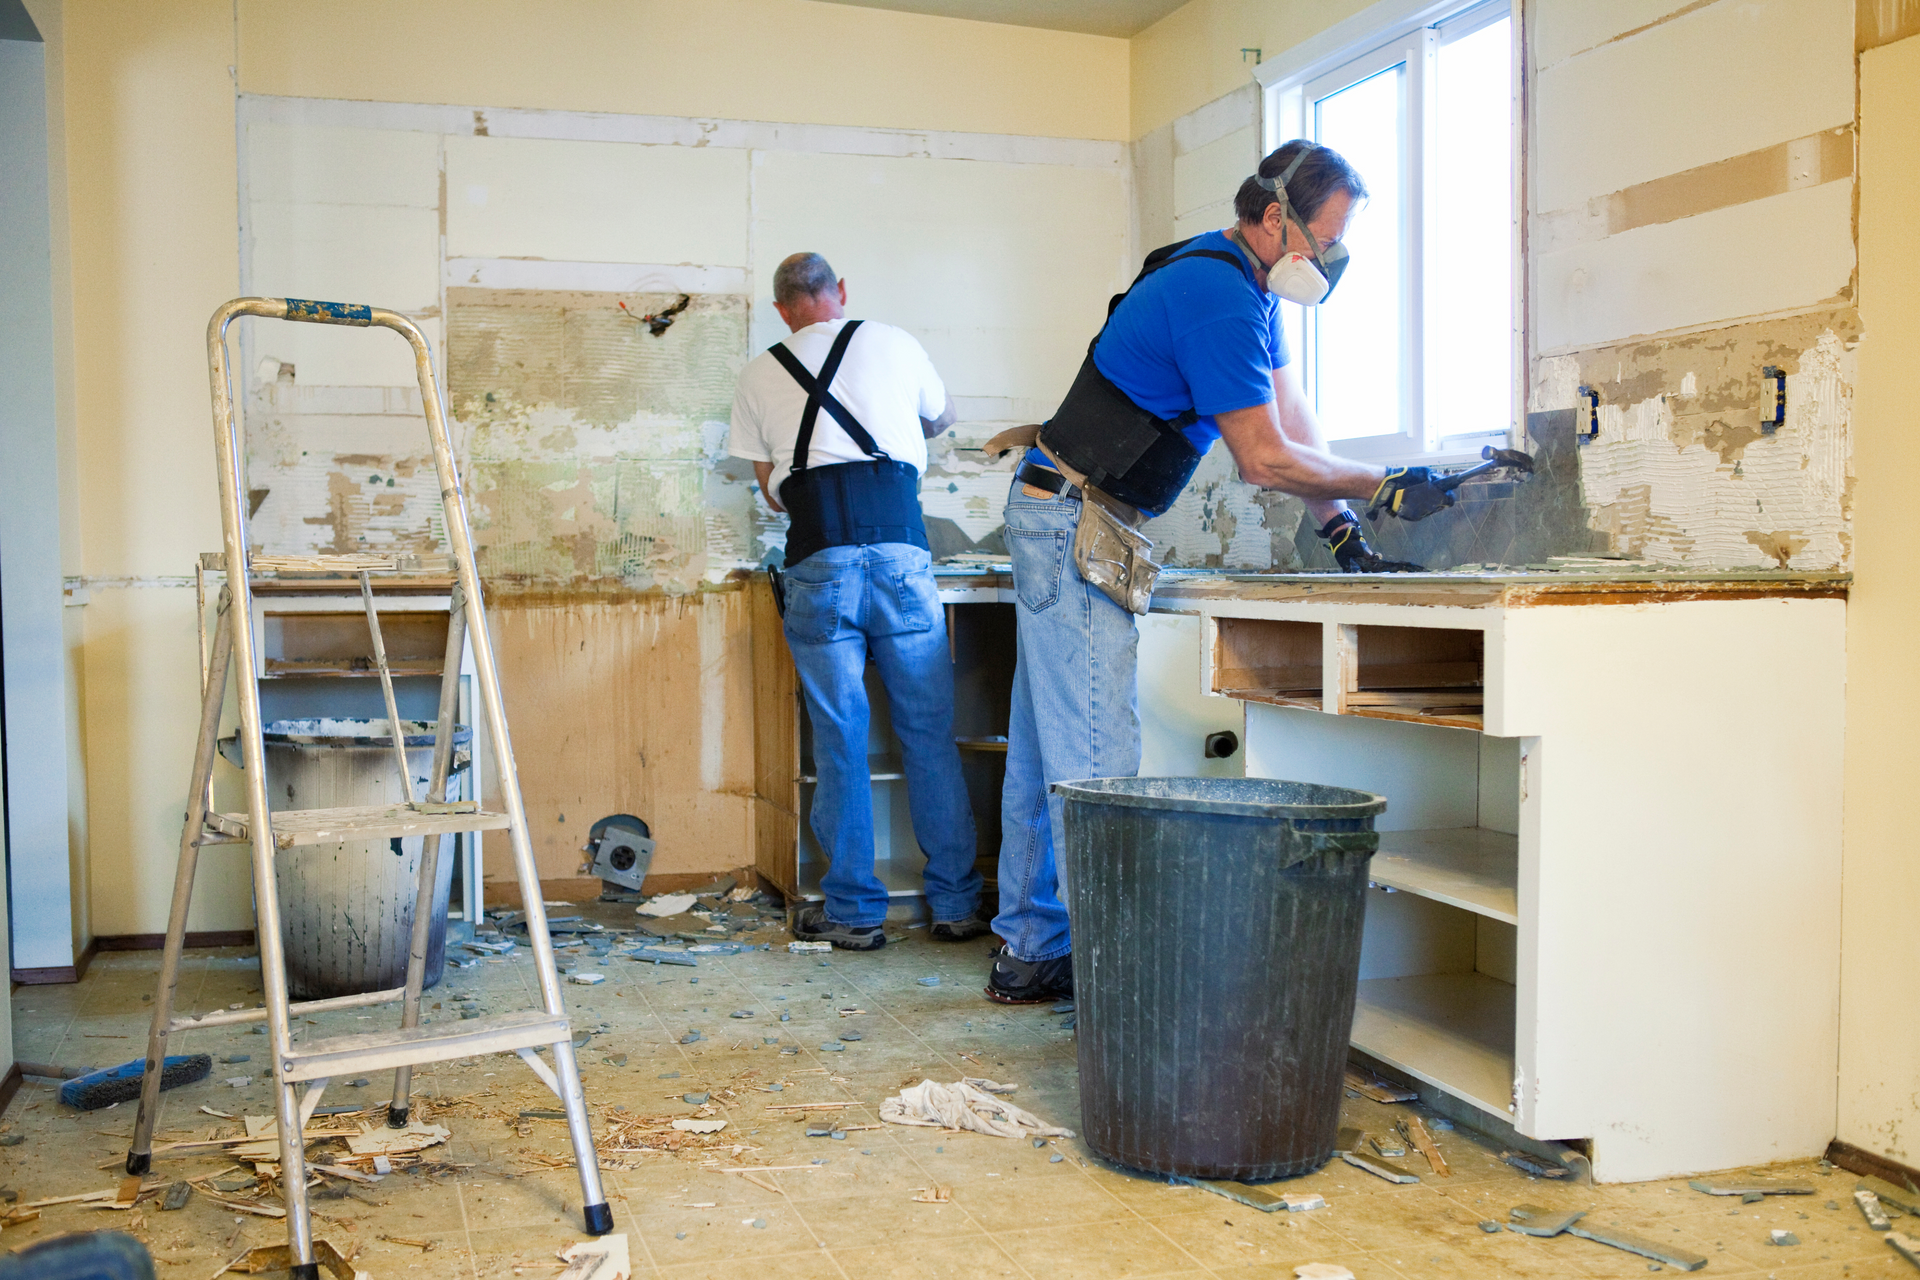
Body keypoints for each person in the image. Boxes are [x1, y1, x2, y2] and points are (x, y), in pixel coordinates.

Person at [982, 140, 1467, 1003]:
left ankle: (1032, 949)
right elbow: (1262, 459)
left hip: (1065, 510)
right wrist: (1386, 481)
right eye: (1328, 239)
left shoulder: (1247, 288)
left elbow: (1294, 425)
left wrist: (1344, 530)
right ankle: (1117, 981)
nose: (1333, 259)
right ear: (1276, 218)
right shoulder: (1216, 294)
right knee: (1096, 759)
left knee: (1047, 749)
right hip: (1075, 518)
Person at [729, 252, 990, 951]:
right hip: (902, 552)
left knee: (841, 739)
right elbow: (943, 418)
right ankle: (957, 905)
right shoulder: (893, 341)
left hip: (819, 559)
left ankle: (852, 913)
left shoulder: (757, 374)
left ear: (781, 309)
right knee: (928, 736)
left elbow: (771, 492)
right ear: (839, 291)